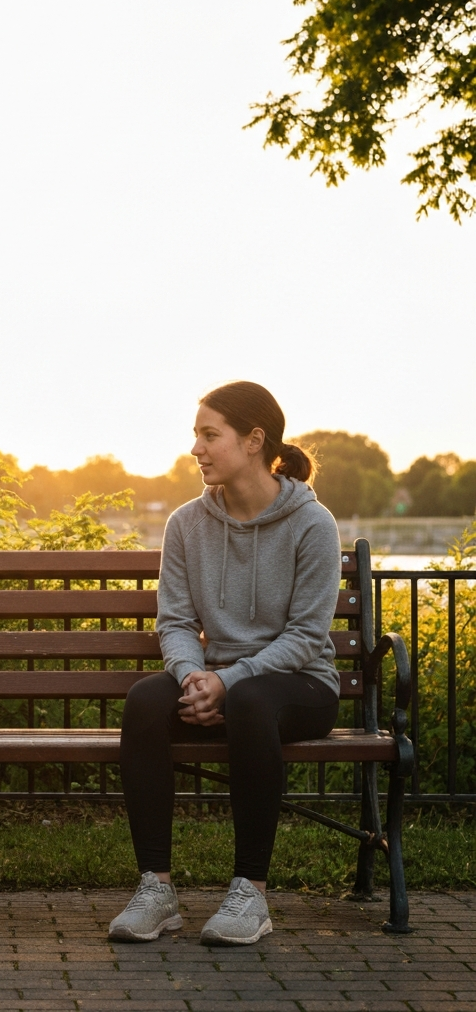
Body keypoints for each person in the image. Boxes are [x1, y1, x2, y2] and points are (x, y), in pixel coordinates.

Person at [109, 381, 342, 947]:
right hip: (214, 679)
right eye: (196, 435)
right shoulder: (186, 523)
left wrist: (228, 681)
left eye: (210, 435)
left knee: (252, 700)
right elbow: (175, 622)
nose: (197, 448)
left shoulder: (313, 525)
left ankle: (250, 893)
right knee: (145, 699)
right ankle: (156, 890)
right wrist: (193, 676)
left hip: (299, 684)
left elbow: (307, 637)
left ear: (254, 440)